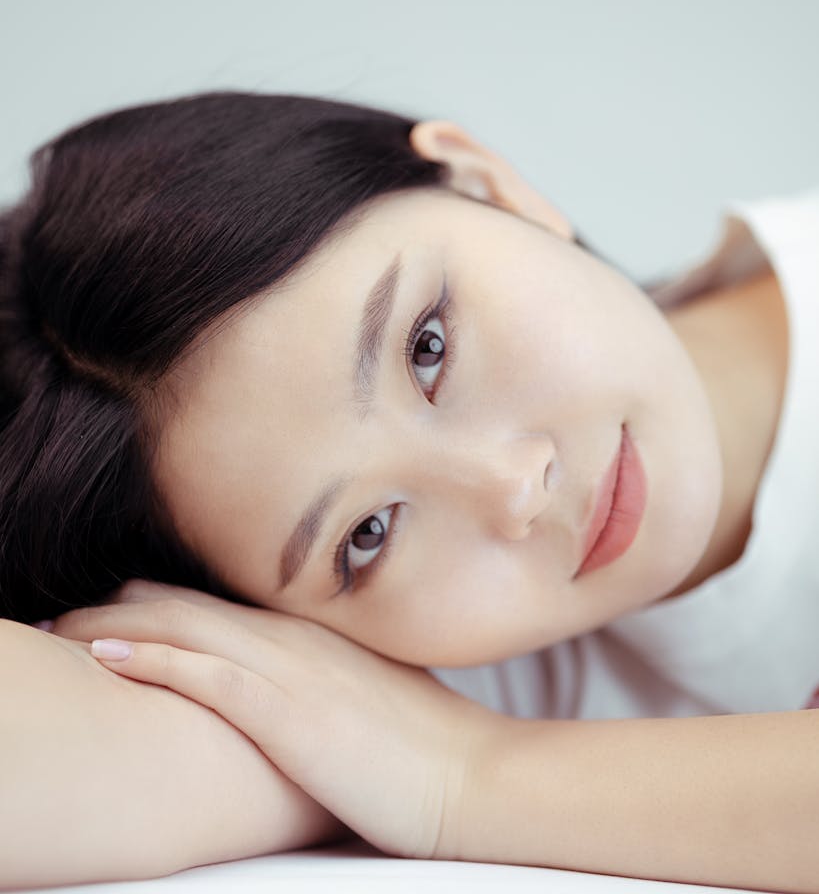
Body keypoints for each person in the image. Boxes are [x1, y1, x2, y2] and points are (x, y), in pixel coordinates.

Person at [0, 91, 816, 892]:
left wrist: (473, 775)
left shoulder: (447, 726)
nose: (514, 490)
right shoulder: (429, 676)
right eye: (369, 533)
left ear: (485, 184)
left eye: (427, 348)